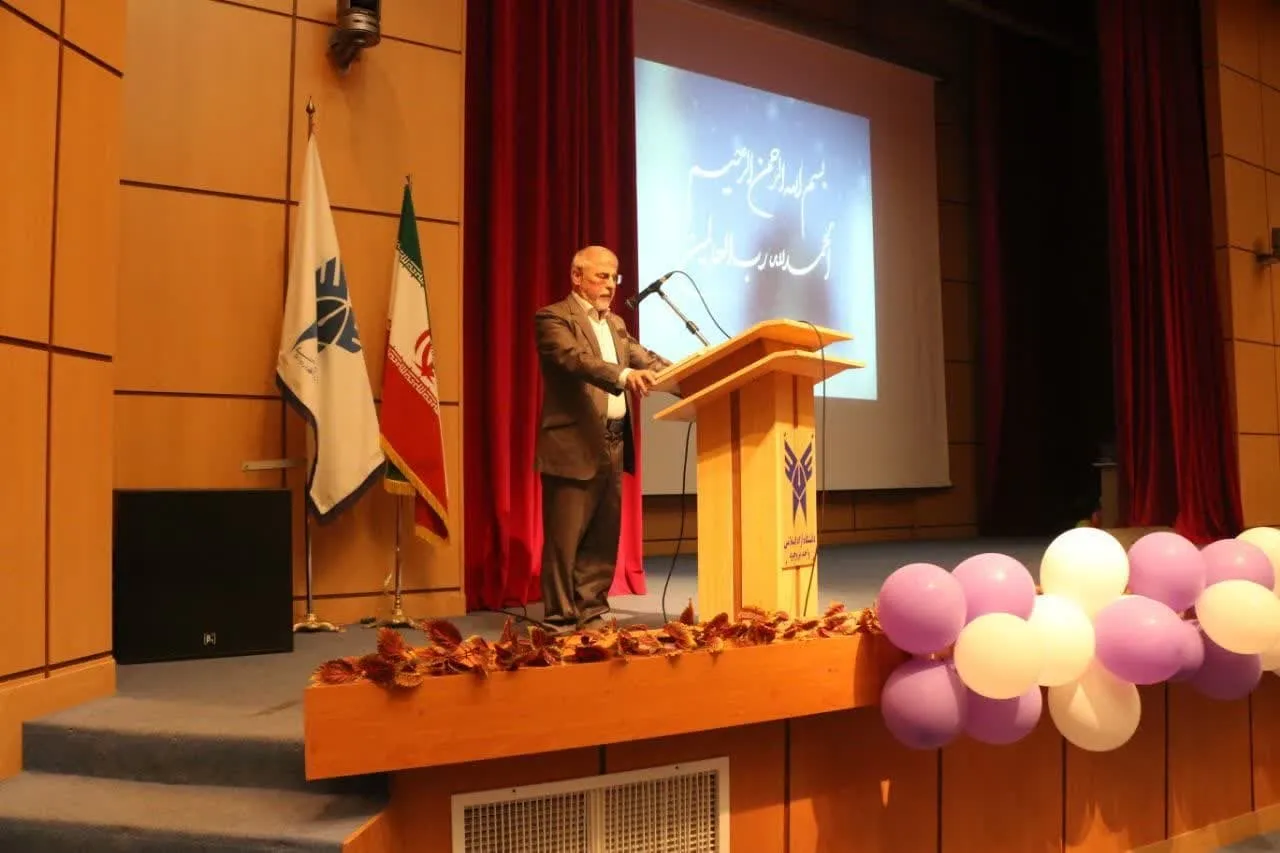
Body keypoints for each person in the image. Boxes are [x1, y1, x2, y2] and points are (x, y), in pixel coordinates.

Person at [534, 245, 673, 631]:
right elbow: (576, 359)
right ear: (577, 276)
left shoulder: (616, 325)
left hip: (613, 442)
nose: (611, 285)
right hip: (573, 443)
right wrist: (624, 376)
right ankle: (561, 618)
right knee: (565, 539)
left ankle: (591, 610)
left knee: (603, 533)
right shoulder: (553, 318)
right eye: (602, 276)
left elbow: (646, 359)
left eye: (615, 277)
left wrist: (695, 373)